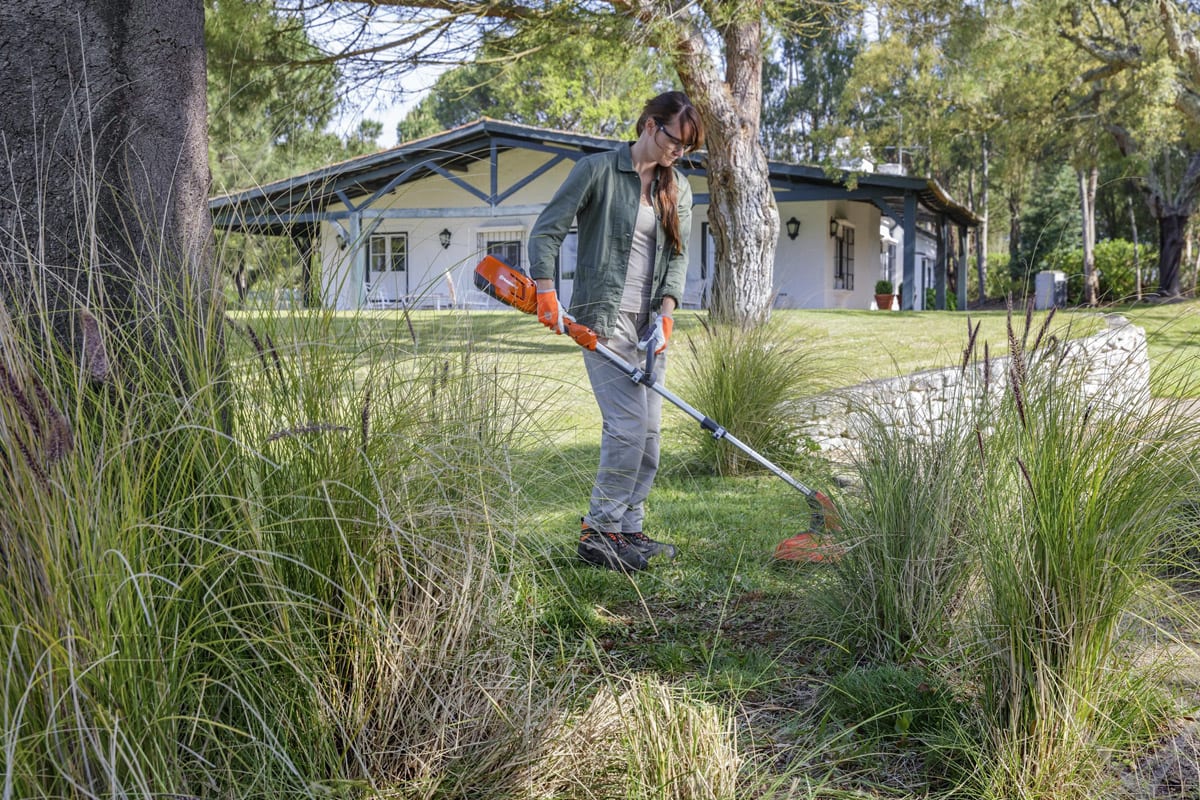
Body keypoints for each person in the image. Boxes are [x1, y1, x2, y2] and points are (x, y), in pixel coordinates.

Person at [528, 91, 705, 573]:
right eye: (675, 140)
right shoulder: (598, 171)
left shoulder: (678, 189)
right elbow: (546, 231)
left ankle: (629, 531)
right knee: (626, 428)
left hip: (649, 327)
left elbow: (678, 255)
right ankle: (598, 534)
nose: (678, 153)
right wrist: (546, 290)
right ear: (650, 125)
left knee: (649, 437)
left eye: (688, 148)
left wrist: (666, 313)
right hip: (601, 321)